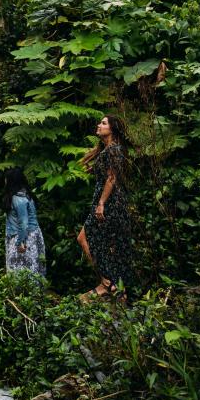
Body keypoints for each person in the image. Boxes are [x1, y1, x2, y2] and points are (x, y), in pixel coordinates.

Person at [76, 114, 137, 300]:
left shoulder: (114, 150)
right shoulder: (109, 149)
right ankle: (112, 285)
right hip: (106, 203)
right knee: (104, 244)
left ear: (113, 129)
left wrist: (101, 203)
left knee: (85, 238)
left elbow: (112, 178)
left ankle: (108, 283)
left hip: (109, 204)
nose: (99, 125)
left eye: (103, 123)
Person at [4, 169, 45, 276]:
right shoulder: (26, 195)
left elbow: (23, 223)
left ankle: (22, 291)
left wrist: (19, 242)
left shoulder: (17, 199)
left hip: (23, 236)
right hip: (32, 234)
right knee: (32, 266)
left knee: (19, 268)